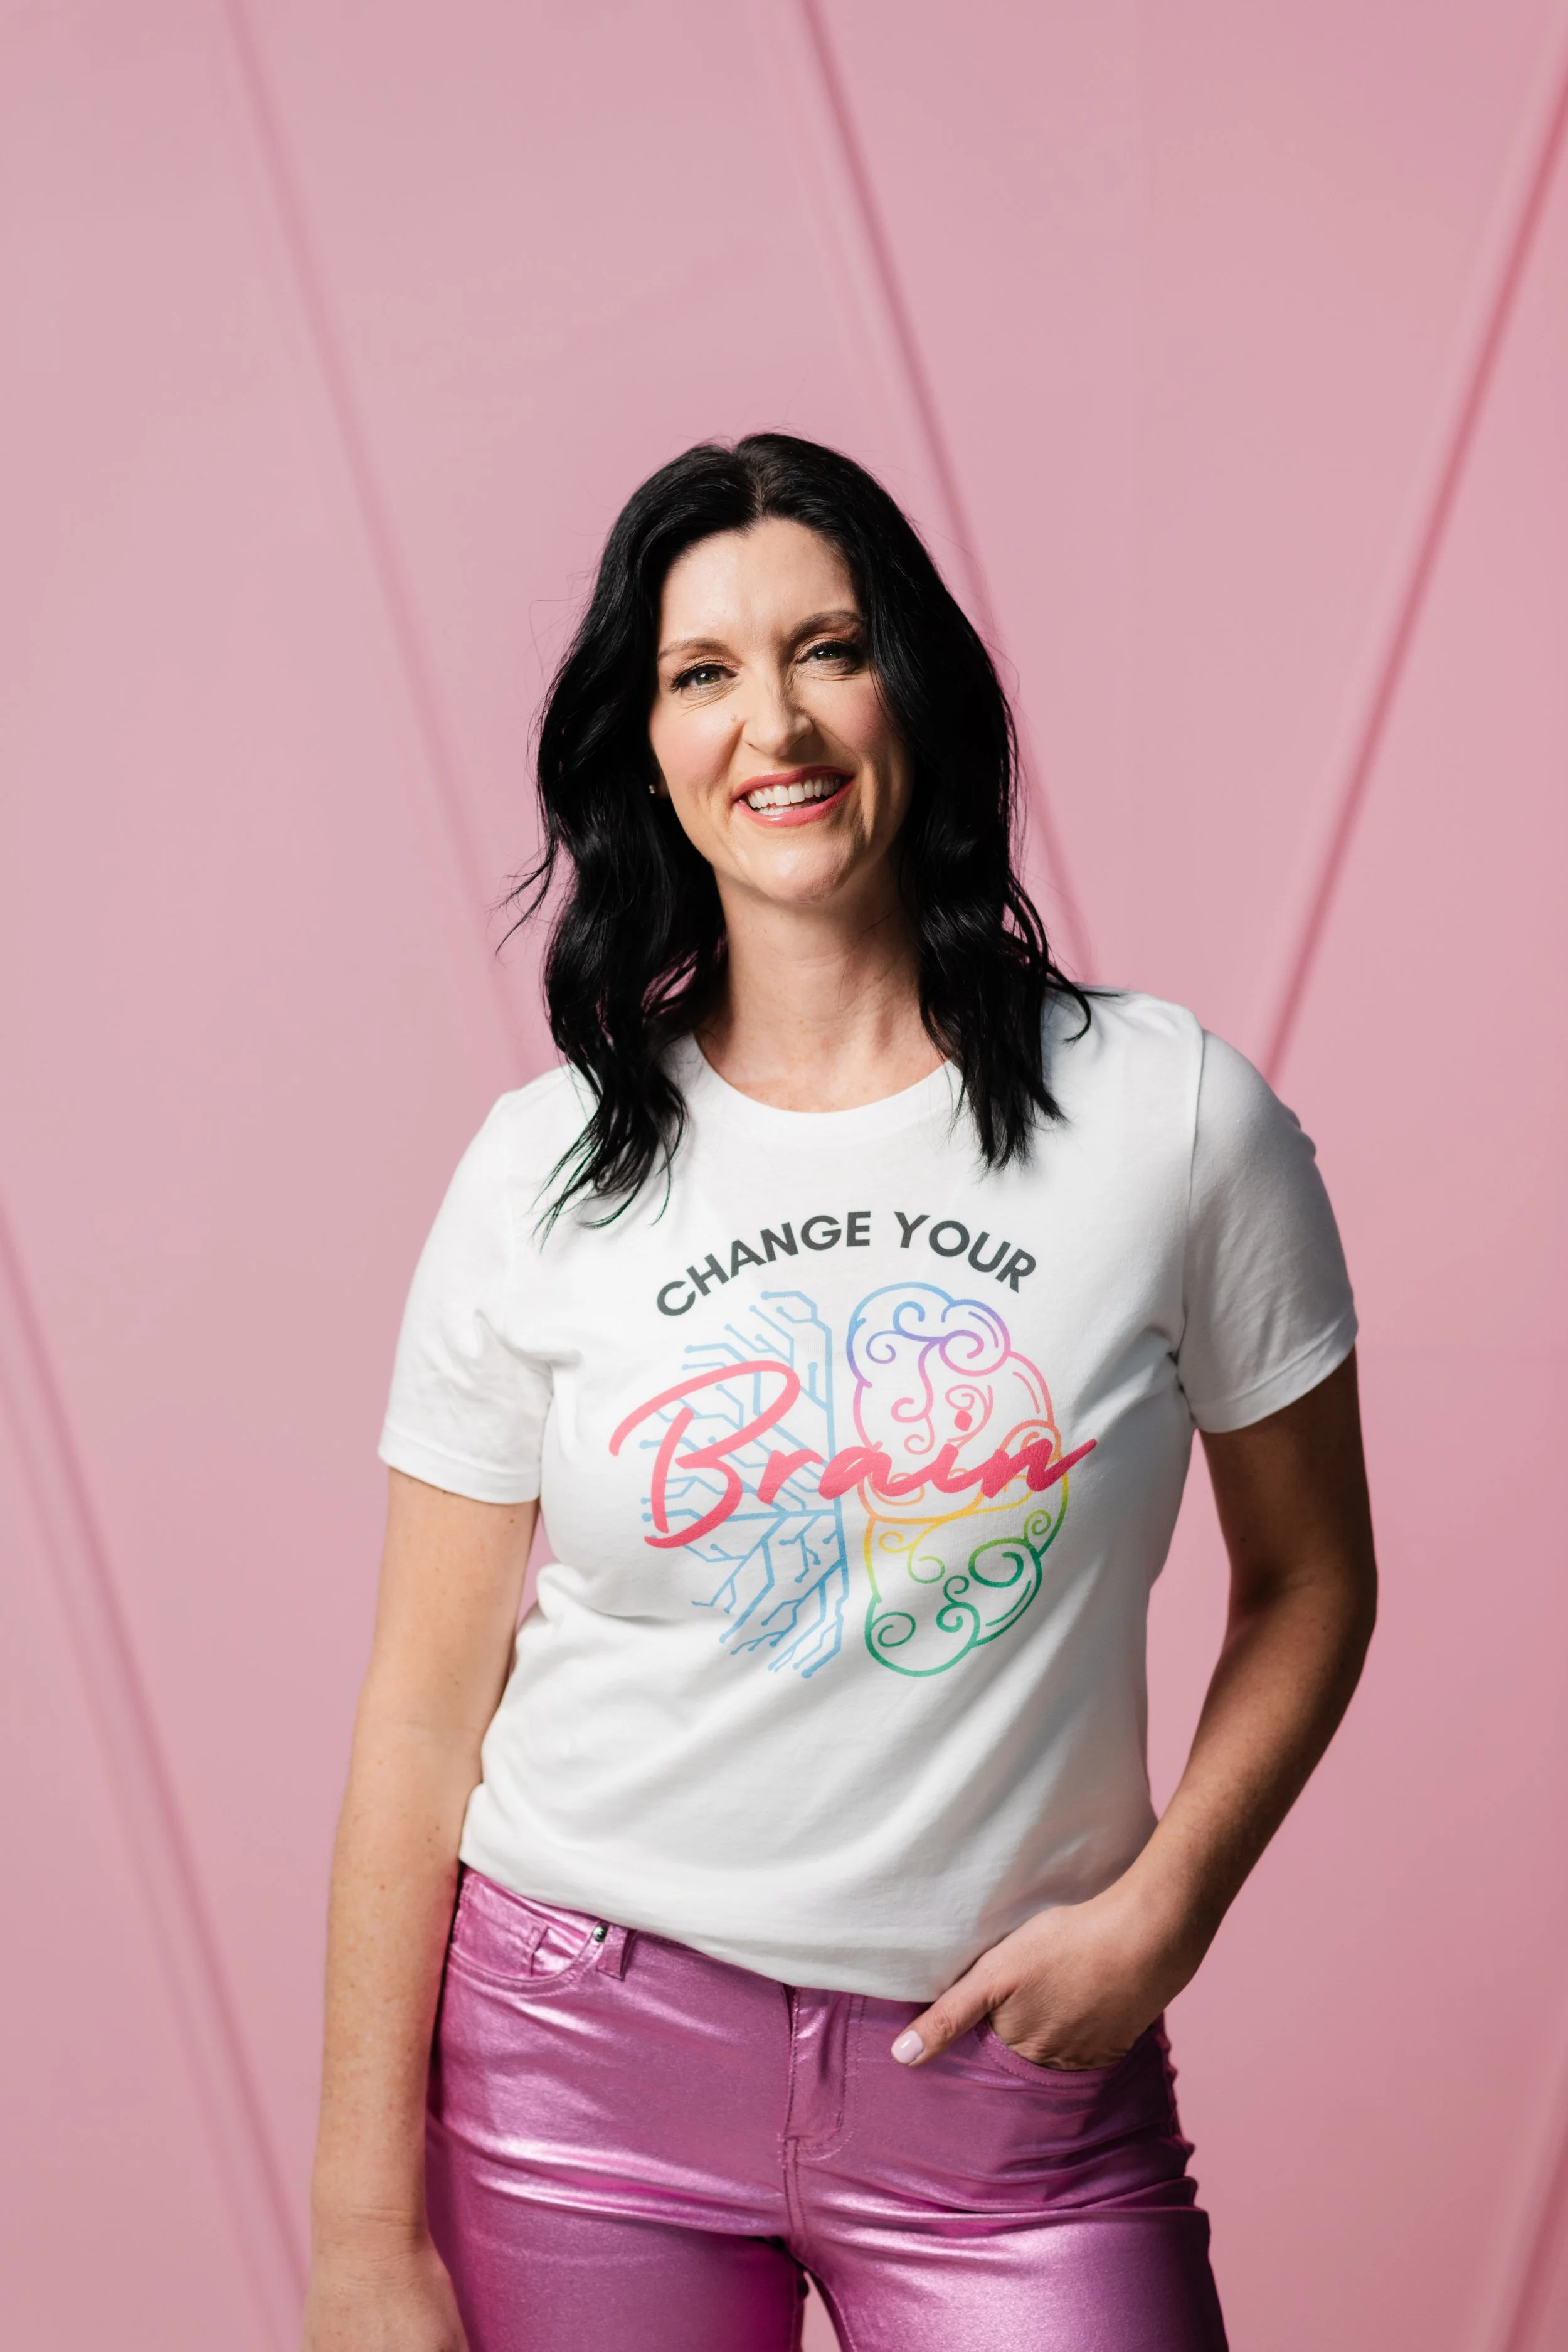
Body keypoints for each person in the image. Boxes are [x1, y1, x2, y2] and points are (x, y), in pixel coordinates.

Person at [300, 433, 1376, 2352]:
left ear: (917, 691)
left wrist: (1166, 1908)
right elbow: (416, 1709)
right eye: (701, 672)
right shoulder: (539, 1173)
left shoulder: (1170, 1119)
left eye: (827, 646)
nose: (771, 721)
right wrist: (364, 2232)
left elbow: (1310, 1579)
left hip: (1014, 2092)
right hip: (577, 2071)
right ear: (644, 748)